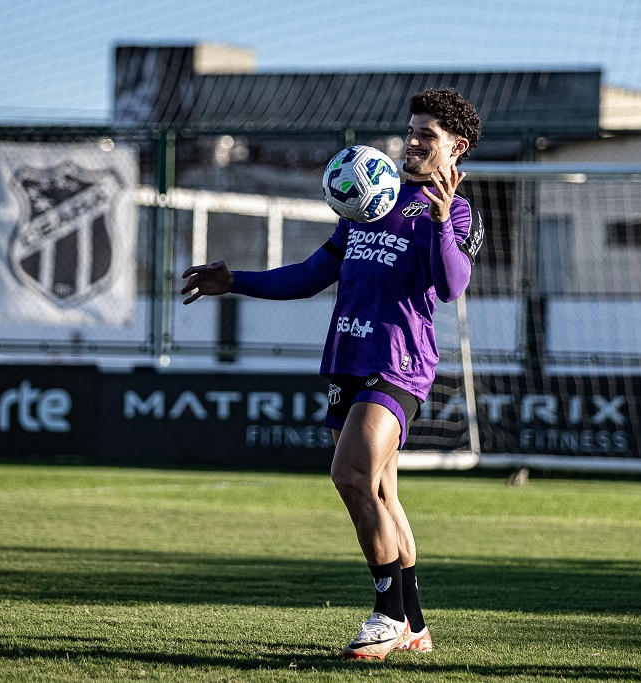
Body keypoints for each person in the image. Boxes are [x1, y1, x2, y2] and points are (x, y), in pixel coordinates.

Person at [181, 88, 483, 661]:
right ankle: (414, 623)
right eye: (411, 131)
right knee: (382, 495)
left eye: (427, 136)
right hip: (348, 358)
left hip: (400, 364)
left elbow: (451, 286)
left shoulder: (457, 213)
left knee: (349, 475)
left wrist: (443, 220)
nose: (412, 142)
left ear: (456, 148)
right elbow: (308, 275)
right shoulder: (371, 201)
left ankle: (386, 615)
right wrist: (235, 280)